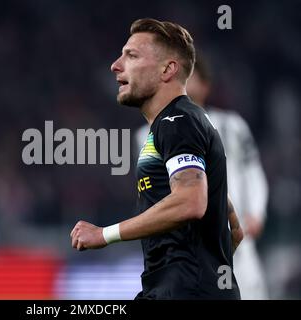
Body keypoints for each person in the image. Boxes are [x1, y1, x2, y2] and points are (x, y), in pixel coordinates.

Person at [70, 18, 243, 299]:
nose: (116, 65)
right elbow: (232, 227)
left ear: (168, 70)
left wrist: (104, 234)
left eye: (132, 55)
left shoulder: (176, 121)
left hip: (184, 290)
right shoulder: (180, 122)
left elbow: (190, 201)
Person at [185, 56, 269, 299]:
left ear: (205, 85)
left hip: (237, 239)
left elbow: (252, 172)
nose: (185, 86)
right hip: (188, 248)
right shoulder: (150, 134)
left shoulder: (233, 126)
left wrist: (257, 212)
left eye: (191, 78)